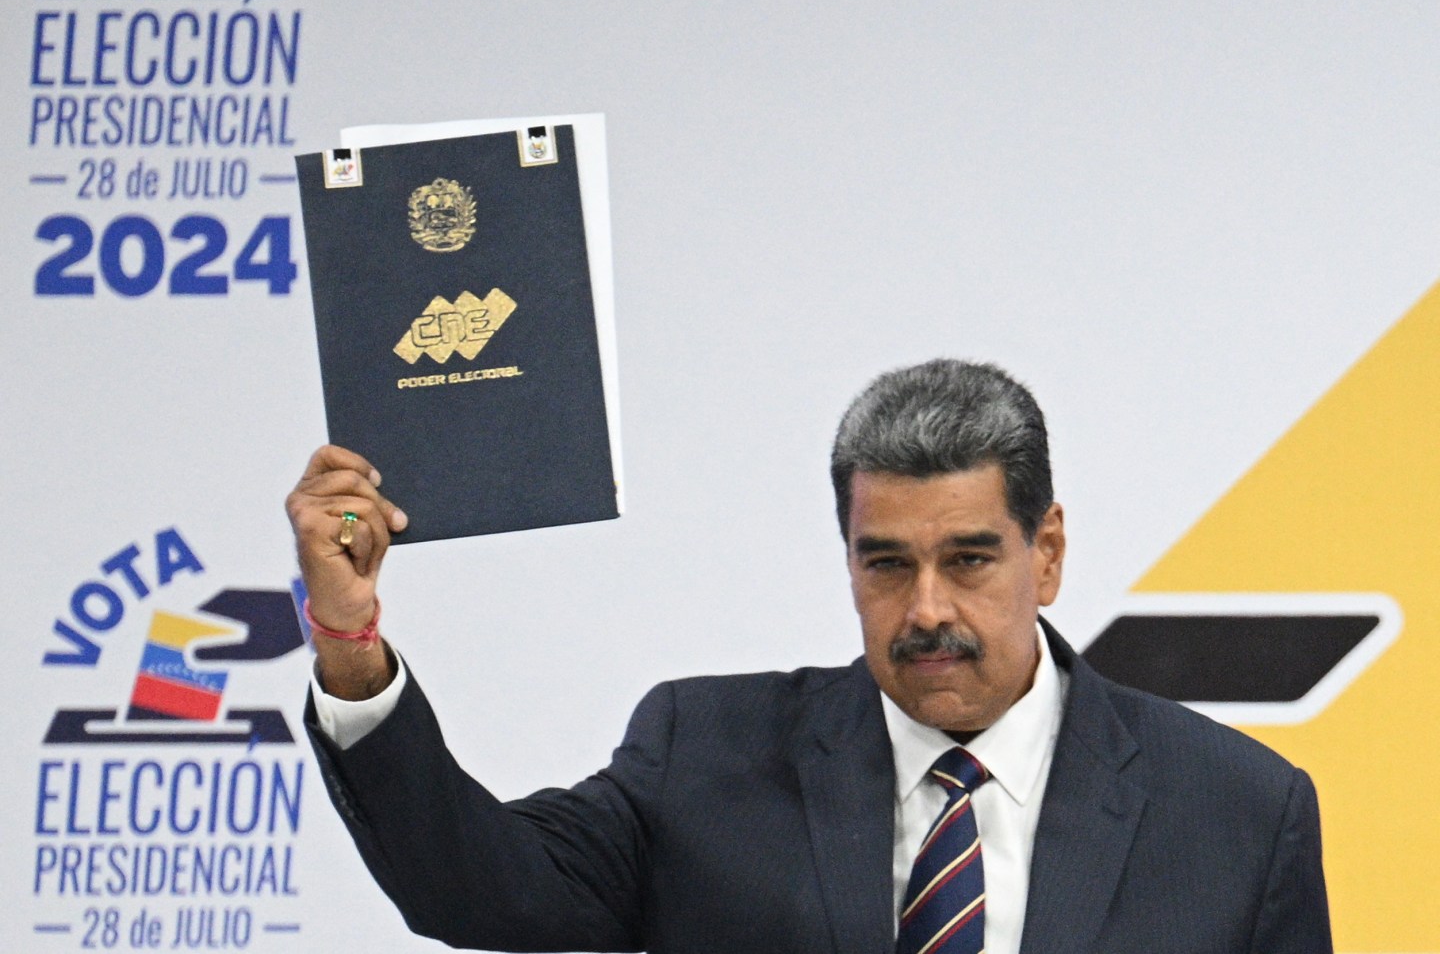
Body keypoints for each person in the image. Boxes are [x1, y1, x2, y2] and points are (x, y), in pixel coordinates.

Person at [288, 359, 1332, 954]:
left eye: (969, 559)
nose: (927, 609)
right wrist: (349, 643)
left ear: (1046, 551)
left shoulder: (1235, 811)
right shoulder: (702, 754)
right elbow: (477, 889)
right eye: (886, 563)